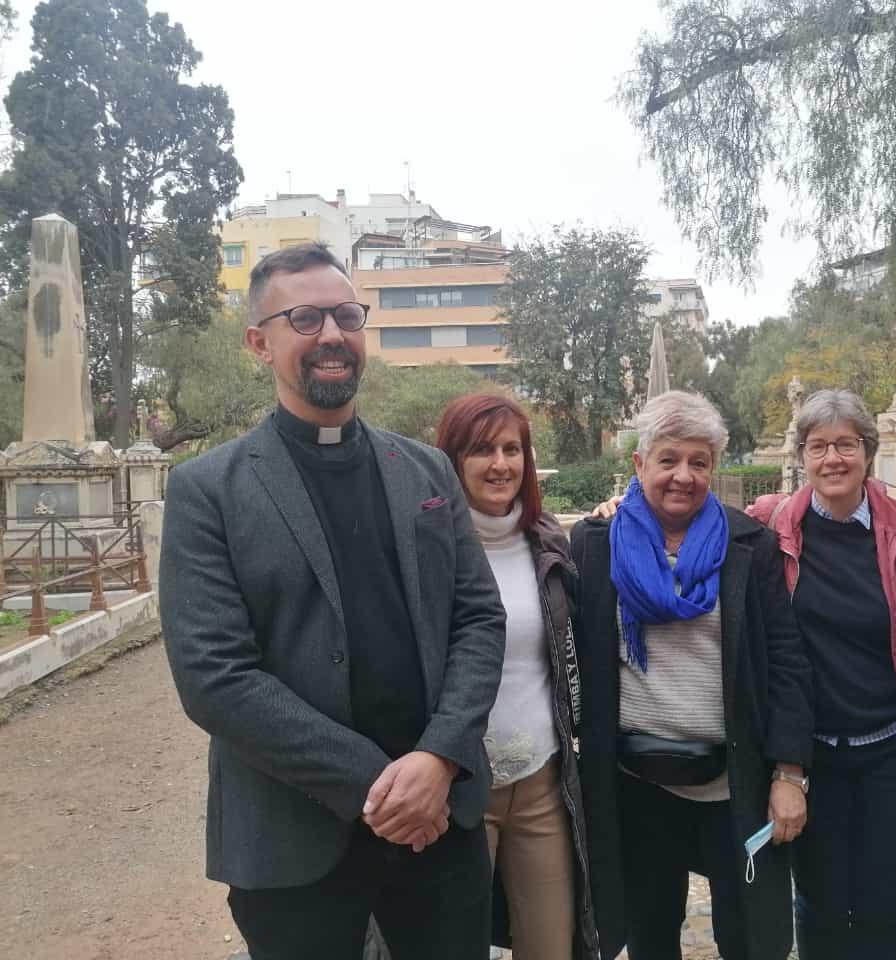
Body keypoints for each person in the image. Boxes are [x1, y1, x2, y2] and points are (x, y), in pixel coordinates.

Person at [159, 242, 506, 960]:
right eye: (306, 318)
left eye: (347, 315)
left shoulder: (425, 468)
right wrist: (380, 785)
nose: (332, 336)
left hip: (440, 829)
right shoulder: (208, 491)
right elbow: (214, 677)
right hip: (293, 840)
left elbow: (478, 619)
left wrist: (439, 758)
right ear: (260, 342)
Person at [572, 390, 812, 960]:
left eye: (699, 462)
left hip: (735, 783)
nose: (683, 475)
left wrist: (790, 772)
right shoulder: (596, 543)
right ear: (639, 463)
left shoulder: (749, 545)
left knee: (750, 939)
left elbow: (786, 659)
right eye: (668, 459)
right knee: (650, 937)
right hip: (638, 785)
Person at [745, 389, 896, 959]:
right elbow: (688, 517)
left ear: (867, 452)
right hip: (810, 757)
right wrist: (618, 507)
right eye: (818, 446)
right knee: (819, 903)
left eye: (846, 445)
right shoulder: (770, 526)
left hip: (890, 752)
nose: (833, 459)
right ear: (801, 455)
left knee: (882, 903)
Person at [434, 393, 601, 960]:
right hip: (452, 788)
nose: (501, 464)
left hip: (541, 783)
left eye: (513, 449)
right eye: (482, 449)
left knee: (551, 946)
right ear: (452, 459)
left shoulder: (549, 545)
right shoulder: (425, 553)